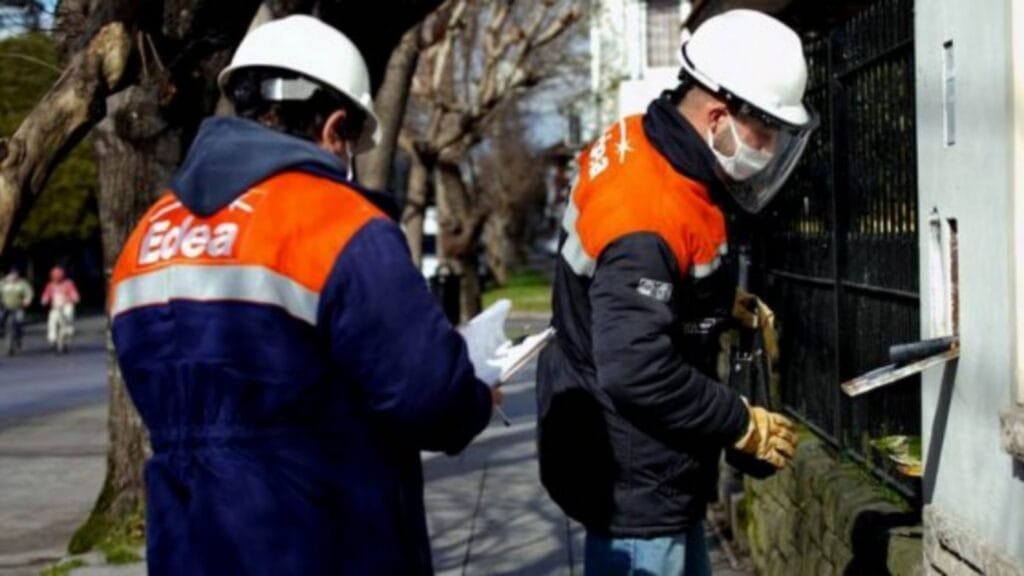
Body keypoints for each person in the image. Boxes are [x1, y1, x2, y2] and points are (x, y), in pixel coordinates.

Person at [108, 16, 496, 575]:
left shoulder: (150, 233)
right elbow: (431, 397)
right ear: (335, 126)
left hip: (189, 548)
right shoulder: (338, 222)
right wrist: (476, 394)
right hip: (326, 543)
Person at [536, 10, 817, 576]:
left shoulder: (640, 139)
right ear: (717, 116)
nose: (769, 149)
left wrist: (713, 304)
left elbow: (631, 287)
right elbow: (636, 368)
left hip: (641, 461)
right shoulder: (646, 213)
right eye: (765, 131)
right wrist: (741, 422)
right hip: (635, 475)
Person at [41, 266, 79, 353]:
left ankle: (69, 329)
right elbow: (46, 295)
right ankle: (52, 338)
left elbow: (74, 294)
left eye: (58, 276)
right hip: (55, 307)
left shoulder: (68, 283)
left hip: (66, 305)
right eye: (54, 277)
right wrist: (44, 300)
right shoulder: (50, 285)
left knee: (68, 314)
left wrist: (74, 298)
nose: (56, 278)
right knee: (52, 320)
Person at [0, 268, 33, 354]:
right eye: (12, 275)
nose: (13, 277)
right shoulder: (3, 283)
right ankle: (2, 333)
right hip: (5, 306)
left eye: (15, 275)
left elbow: (28, 292)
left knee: (19, 321)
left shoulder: (22, 284)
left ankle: (18, 337)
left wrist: (27, 299)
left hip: (18, 306)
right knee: (1, 318)